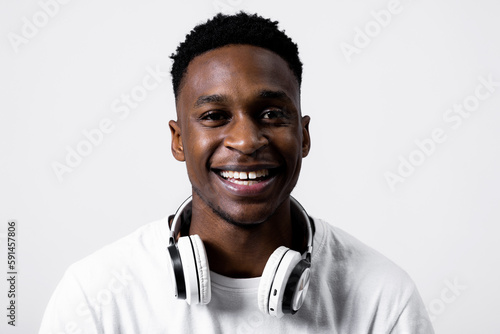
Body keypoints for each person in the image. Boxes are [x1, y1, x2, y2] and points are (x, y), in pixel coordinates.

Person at [40, 12, 434, 333]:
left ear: (304, 136)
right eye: (214, 116)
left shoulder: (384, 297)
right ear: (179, 140)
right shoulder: (94, 297)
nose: (246, 140)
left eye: (271, 114)